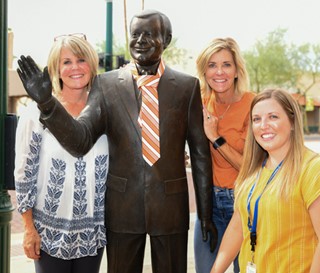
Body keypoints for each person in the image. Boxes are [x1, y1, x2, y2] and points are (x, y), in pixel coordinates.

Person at [16, 9, 218, 273]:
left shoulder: (187, 86)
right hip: (121, 209)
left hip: (171, 208)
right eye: (135, 34)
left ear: (166, 39)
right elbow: (81, 141)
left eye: (149, 34)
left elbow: (200, 154)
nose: (140, 40)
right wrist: (47, 103)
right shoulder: (106, 84)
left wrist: (206, 212)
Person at [14, 34, 109, 273]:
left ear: (92, 64)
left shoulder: (106, 111)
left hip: (93, 234)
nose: (75, 67)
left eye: (81, 59)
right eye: (66, 62)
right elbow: (24, 175)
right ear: (55, 68)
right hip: (48, 235)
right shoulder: (34, 115)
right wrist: (29, 229)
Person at [211, 88, 320, 273]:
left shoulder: (311, 168)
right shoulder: (252, 172)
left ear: (292, 122)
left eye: (273, 117)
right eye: (256, 119)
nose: (263, 125)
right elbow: (237, 229)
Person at [194, 37, 255, 273]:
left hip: (242, 204)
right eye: (212, 65)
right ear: (204, 71)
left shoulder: (253, 105)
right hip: (208, 204)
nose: (219, 72)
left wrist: (216, 138)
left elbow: (251, 166)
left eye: (226, 65)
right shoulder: (199, 102)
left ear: (237, 70)